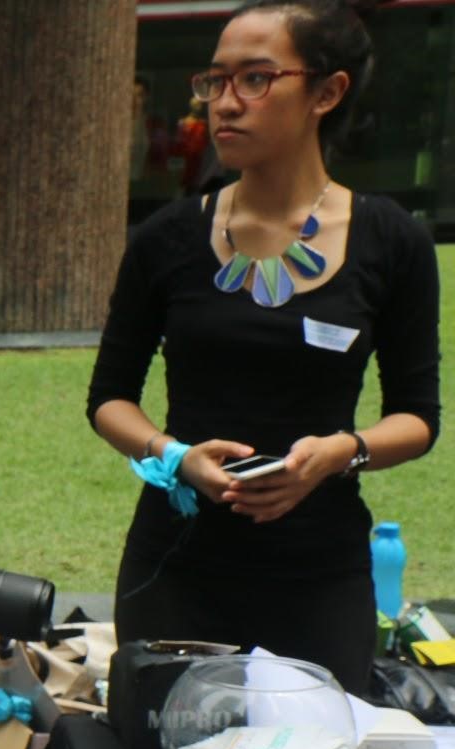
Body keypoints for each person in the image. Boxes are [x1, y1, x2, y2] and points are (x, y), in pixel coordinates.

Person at [88, 0, 439, 696]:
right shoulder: (166, 238)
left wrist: (342, 452)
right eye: (214, 82)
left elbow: (418, 417)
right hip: (176, 567)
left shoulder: (391, 241)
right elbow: (109, 400)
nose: (224, 104)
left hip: (319, 574)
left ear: (326, 92)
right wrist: (175, 456)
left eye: (254, 79)